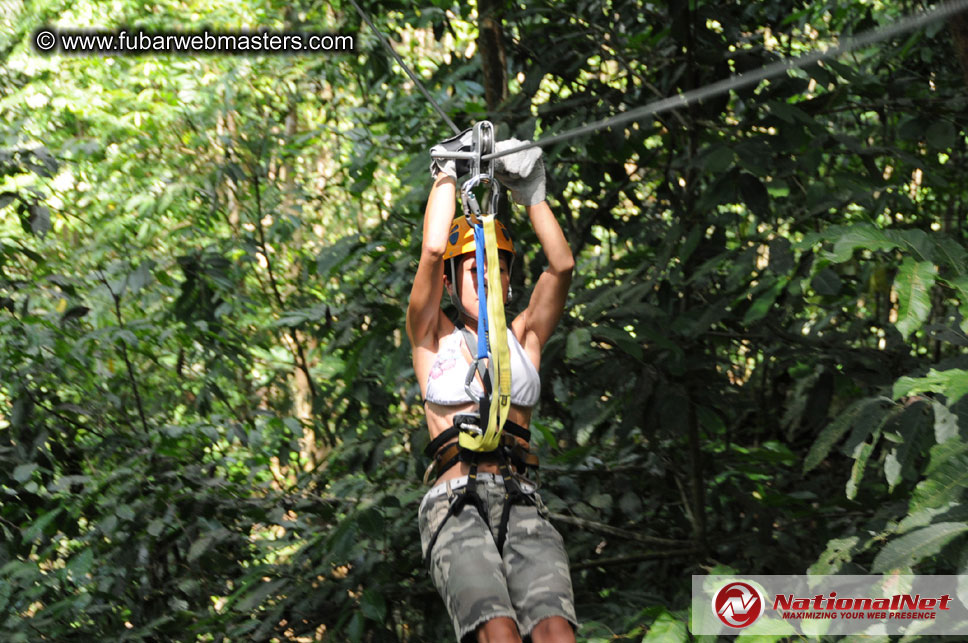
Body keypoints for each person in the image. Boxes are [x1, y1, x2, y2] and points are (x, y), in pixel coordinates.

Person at [406, 131, 578, 643]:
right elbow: (434, 250)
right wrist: (446, 173)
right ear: (455, 280)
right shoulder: (432, 337)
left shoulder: (524, 335)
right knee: (497, 632)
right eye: (474, 268)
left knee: (555, 632)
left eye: (497, 269)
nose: (486, 278)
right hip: (454, 503)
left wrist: (534, 196)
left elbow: (562, 266)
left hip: (522, 498)